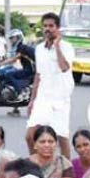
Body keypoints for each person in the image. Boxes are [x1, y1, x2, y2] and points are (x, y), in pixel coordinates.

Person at [27, 12, 76, 159]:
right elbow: (38, 75)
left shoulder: (67, 47)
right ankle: (37, 166)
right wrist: (32, 101)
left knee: (61, 138)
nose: (48, 29)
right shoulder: (39, 49)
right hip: (43, 98)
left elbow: (64, 67)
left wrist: (57, 47)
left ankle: (67, 172)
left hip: (60, 99)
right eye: (45, 26)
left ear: (58, 28)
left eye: (51, 26)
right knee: (30, 136)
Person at [0, 29, 36, 116]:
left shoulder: (21, 47)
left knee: (8, 74)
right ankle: (16, 109)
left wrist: (1, 63)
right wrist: (2, 62)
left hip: (30, 70)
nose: (11, 40)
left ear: (18, 37)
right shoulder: (19, 47)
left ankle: (22, 91)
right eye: (10, 38)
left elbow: (14, 59)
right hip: (29, 69)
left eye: (12, 38)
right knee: (11, 80)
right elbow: (13, 60)